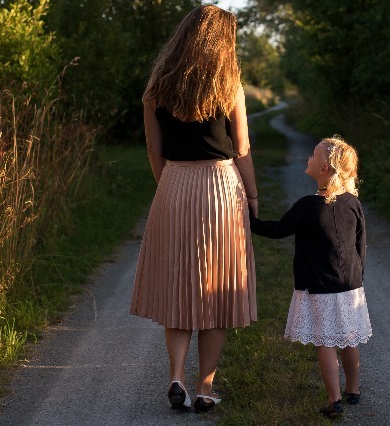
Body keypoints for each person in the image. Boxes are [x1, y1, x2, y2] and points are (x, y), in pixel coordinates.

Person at [128, 4, 259, 415]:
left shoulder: (156, 88)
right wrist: (253, 198)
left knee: (180, 286)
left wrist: (168, 185)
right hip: (220, 187)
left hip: (174, 184)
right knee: (216, 289)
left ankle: (176, 378)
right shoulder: (229, 86)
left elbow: (154, 149)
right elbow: (241, 150)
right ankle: (205, 388)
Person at [249, 136, 372, 419]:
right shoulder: (353, 203)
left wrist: (247, 219)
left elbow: (278, 230)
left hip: (319, 285)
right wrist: (358, 278)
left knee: (325, 342)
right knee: (348, 338)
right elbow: (360, 244)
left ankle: (334, 400)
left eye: (313, 155)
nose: (308, 157)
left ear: (324, 168)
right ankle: (353, 389)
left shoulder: (308, 206)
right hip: (350, 285)